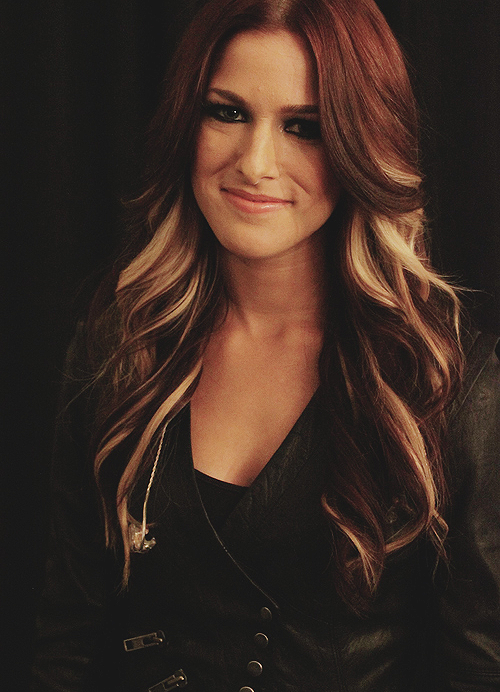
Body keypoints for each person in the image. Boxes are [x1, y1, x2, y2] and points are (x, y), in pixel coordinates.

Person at [32, 0, 500, 690]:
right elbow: (66, 645)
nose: (255, 163)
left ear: (362, 146)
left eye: (303, 126)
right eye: (227, 113)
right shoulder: (116, 349)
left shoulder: (447, 382)